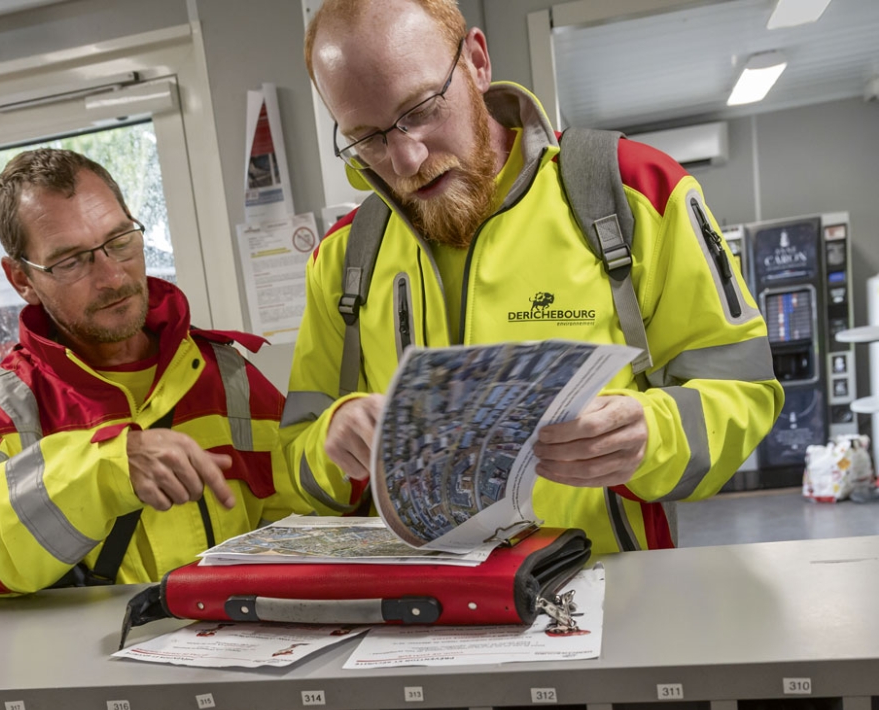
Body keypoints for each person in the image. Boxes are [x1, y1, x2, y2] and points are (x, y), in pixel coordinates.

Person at [290, 0, 783, 552]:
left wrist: (653, 433)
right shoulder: (340, 259)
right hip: (423, 614)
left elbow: (746, 394)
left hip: (604, 599)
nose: (405, 159)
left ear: (477, 62)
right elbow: (297, 462)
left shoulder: (635, 190)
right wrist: (335, 440)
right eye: (366, 137)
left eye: (422, 108)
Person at [0, 149, 308, 598]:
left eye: (120, 240)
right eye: (70, 261)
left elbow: (304, 523)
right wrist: (106, 469)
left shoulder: (228, 376)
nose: (112, 276)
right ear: (21, 279)